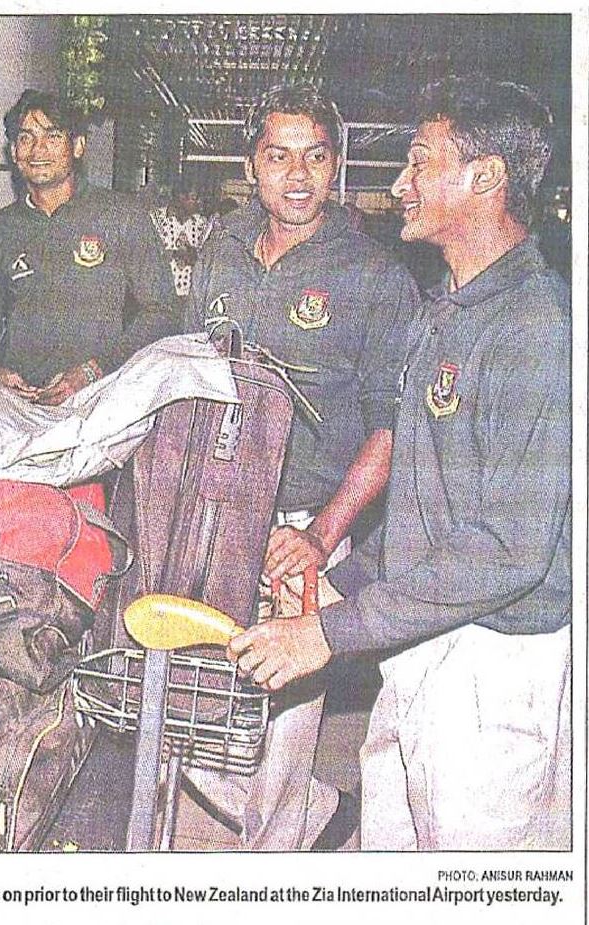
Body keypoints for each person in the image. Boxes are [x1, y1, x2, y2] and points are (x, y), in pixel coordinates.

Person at [230, 78, 570, 850]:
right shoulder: (442, 310)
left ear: (484, 177)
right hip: (416, 638)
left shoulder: (536, 328)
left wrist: (331, 629)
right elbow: (424, 508)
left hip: (491, 663)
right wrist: (335, 580)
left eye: (418, 162)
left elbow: (507, 549)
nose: (398, 184)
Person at [180, 85, 420, 851]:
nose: (296, 175)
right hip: (215, 514)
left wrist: (320, 535)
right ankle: (314, 809)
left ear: (335, 165)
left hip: (302, 528)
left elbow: (391, 428)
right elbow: (185, 379)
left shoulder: (373, 275)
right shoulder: (219, 251)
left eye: (314, 157)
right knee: (189, 707)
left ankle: (277, 853)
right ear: (250, 165)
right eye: (277, 156)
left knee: (283, 722)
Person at [0, 89, 177, 406]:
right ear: (14, 152)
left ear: (77, 146)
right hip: (19, 406)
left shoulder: (122, 217)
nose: (38, 149)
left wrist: (94, 371)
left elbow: (162, 311)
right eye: (26, 138)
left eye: (53, 136)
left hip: (104, 400)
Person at [150, 174, 211, 296]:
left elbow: (208, 262)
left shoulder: (202, 224)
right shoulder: (154, 219)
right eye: (194, 198)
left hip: (192, 297)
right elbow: (145, 256)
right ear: (181, 198)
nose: (199, 202)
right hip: (159, 296)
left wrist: (195, 256)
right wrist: (174, 254)